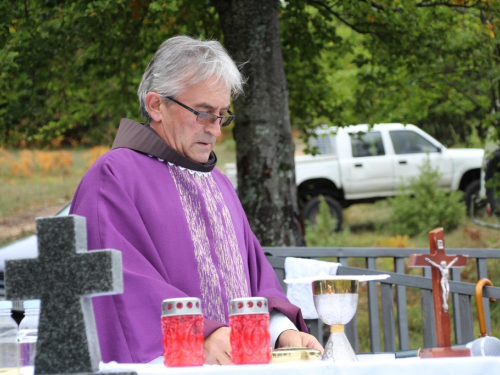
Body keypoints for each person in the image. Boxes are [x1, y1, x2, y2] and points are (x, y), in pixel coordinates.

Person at [70, 35, 323, 364]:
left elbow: (256, 275)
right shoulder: (114, 177)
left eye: (222, 115)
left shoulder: (217, 182)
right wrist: (202, 333)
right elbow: (122, 286)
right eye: (203, 113)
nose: (216, 130)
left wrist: (280, 331)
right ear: (156, 105)